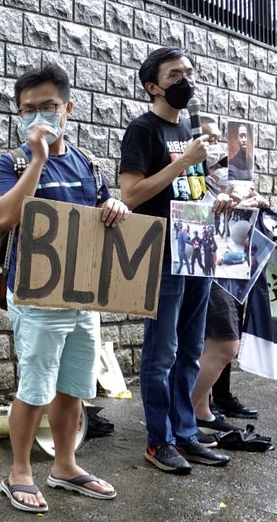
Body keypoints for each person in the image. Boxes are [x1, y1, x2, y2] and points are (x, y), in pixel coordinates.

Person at [0, 64, 128, 513]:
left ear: (68, 108)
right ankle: (20, 474)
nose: (38, 117)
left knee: (73, 386)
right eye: (27, 110)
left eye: (47, 107)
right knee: (34, 387)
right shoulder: (10, 163)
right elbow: (6, 217)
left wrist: (115, 205)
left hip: (83, 295)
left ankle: (65, 466)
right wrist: (37, 161)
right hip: (34, 297)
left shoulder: (88, 163)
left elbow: (106, 207)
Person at [119, 46, 231, 474]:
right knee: (161, 352)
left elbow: (192, 188)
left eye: (188, 72)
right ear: (152, 87)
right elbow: (130, 195)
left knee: (189, 350)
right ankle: (158, 441)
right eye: (173, 75)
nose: (185, 80)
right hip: (162, 253)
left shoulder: (190, 127)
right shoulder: (142, 130)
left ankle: (185, 435)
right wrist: (185, 160)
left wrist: (216, 198)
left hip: (198, 248)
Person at [190, 118, 265, 434]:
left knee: (216, 343)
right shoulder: (188, 174)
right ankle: (192, 409)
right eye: (208, 138)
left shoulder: (231, 175)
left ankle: (202, 408)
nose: (216, 146)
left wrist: (254, 204)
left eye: (218, 139)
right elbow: (186, 216)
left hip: (234, 265)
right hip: (208, 266)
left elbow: (243, 218)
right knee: (224, 344)